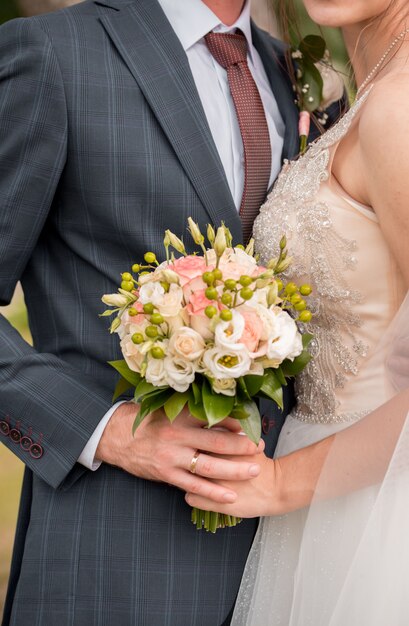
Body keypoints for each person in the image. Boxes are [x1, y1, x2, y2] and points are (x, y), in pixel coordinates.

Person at [0, 1, 345, 624]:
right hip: (111, 551)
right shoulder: (55, 53)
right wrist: (105, 430)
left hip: (291, 559)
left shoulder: (290, 71)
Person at [184, 0, 409, 623]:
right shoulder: (366, 85)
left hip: (377, 507)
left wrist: (282, 484)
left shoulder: (398, 108)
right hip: (327, 495)